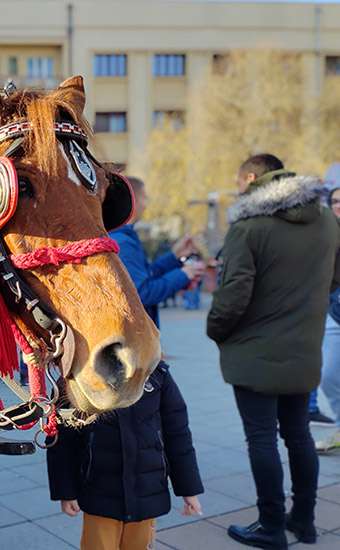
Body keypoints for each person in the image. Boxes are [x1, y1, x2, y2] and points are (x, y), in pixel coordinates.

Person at [207, 154, 340, 548]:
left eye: (239, 183)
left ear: (251, 179)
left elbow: (232, 296)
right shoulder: (327, 220)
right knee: (299, 435)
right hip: (304, 349)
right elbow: (334, 279)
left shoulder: (248, 227)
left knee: (262, 439)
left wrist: (216, 329)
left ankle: (270, 525)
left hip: (256, 353)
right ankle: (305, 521)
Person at [47, 361, 204, 550]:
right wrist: (65, 492)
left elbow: (177, 434)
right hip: (100, 491)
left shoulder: (156, 374)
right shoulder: (78, 375)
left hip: (146, 492)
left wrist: (188, 488)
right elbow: (61, 441)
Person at [109, 176, 204, 328]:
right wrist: (183, 275)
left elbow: (146, 274)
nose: (146, 204)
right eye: (144, 198)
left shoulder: (123, 237)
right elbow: (143, 293)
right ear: (132, 201)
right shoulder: (123, 243)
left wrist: (174, 256)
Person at [316, 187, 340, 452]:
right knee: (329, 374)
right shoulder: (323, 232)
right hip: (333, 313)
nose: (338, 205)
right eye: (334, 201)